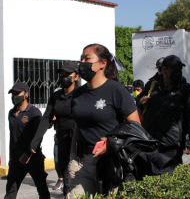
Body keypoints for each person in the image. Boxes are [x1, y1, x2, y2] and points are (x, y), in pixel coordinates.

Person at [66, 44, 140, 198]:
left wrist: (112, 144)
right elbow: (77, 127)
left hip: (110, 163)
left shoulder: (117, 91)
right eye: (81, 58)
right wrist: (73, 156)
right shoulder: (77, 94)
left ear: (103, 63)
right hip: (82, 163)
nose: (82, 62)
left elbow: (135, 127)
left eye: (87, 58)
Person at [136, 55, 190, 165]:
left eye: (179, 69)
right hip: (150, 142)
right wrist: (140, 102)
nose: (177, 72)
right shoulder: (152, 85)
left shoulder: (187, 90)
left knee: (169, 178)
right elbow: (138, 101)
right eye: (174, 69)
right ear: (164, 69)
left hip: (172, 145)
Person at [29, 61, 80, 196]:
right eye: (62, 73)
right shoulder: (56, 96)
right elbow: (46, 118)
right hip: (62, 141)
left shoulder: (81, 95)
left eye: (67, 74)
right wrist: (35, 140)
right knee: (65, 175)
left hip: (79, 143)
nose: (63, 76)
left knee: (76, 177)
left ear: (76, 76)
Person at [5, 82, 50, 199]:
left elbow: (38, 136)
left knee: (42, 190)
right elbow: (13, 137)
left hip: (33, 158)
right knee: (10, 192)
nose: (14, 96)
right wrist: (11, 158)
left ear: (26, 94)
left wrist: (29, 153)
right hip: (16, 159)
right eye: (13, 93)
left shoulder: (34, 112)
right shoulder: (11, 113)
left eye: (17, 93)